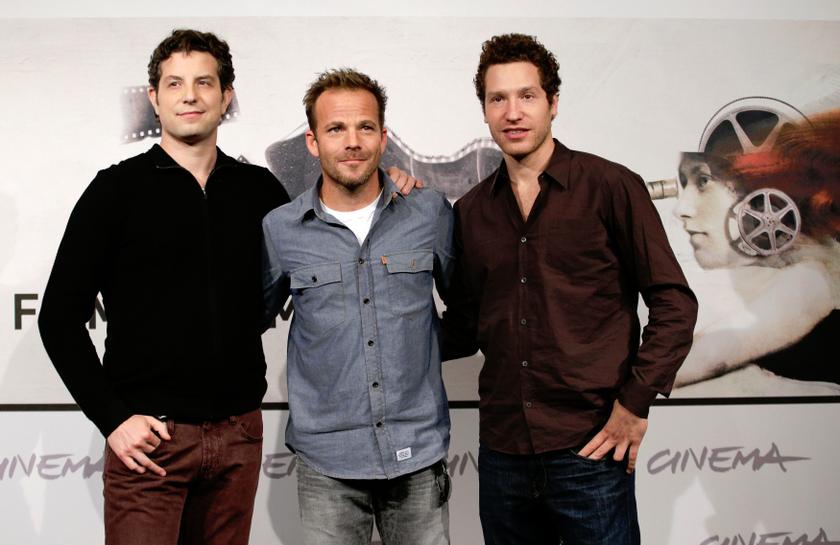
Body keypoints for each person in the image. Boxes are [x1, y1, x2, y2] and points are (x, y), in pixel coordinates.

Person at [37, 30, 420, 545]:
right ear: (154, 98)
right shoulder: (114, 192)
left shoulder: (259, 190)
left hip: (238, 436)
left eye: (204, 82)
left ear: (226, 96)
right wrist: (113, 419)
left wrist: (390, 185)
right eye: (174, 84)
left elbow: (332, 229)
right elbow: (58, 320)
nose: (189, 95)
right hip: (151, 441)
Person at [441, 33, 698, 544]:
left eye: (527, 95)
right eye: (498, 99)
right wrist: (377, 337)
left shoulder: (610, 186)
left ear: (553, 103)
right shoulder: (471, 211)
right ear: (485, 110)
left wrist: (634, 404)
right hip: (503, 453)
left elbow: (674, 303)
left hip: (592, 447)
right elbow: (465, 326)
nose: (513, 112)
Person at [262, 69, 454, 545]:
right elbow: (250, 319)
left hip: (417, 454)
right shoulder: (281, 229)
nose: (352, 141)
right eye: (335, 129)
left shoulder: (429, 212)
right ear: (313, 142)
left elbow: (471, 309)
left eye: (365, 127)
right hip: (326, 462)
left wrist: (415, 351)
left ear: (383, 138)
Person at [673, 110, 840, 389]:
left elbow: (706, 358)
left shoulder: (810, 280)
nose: (682, 209)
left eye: (703, 181)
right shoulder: (772, 275)